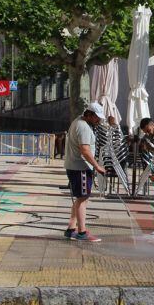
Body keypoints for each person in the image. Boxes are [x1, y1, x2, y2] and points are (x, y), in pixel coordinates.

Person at [64, 102, 106, 242]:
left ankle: (71, 228)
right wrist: (97, 166)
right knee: (83, 199)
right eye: (96, 118)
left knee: (80, 198)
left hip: (75, 166)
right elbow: (85, 150)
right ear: (89, 114)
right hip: (80, 167)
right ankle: (82, 232)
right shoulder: (83, 127)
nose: (98, 121)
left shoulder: (78, 121)